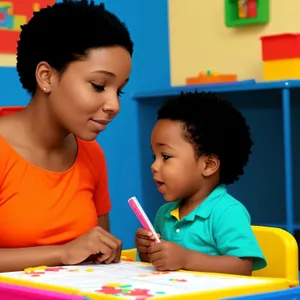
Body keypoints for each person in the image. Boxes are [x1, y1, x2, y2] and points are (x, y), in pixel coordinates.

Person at [0, 0, 133, 272]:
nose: (114, 105)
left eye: (118, 91)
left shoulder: (91, 154)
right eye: (99, 86)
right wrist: (63, 252)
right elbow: (71, 253)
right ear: (46, 76)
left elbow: (97, 254)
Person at [135, 91, 267, 275]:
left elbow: (242, 267)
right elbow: (164, 264)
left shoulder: (226, 212)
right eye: (154, 156)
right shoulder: (164, 214)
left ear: (209, 165)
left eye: (165, 156)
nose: (154, 166)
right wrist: (147, 251)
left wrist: (186, 258)